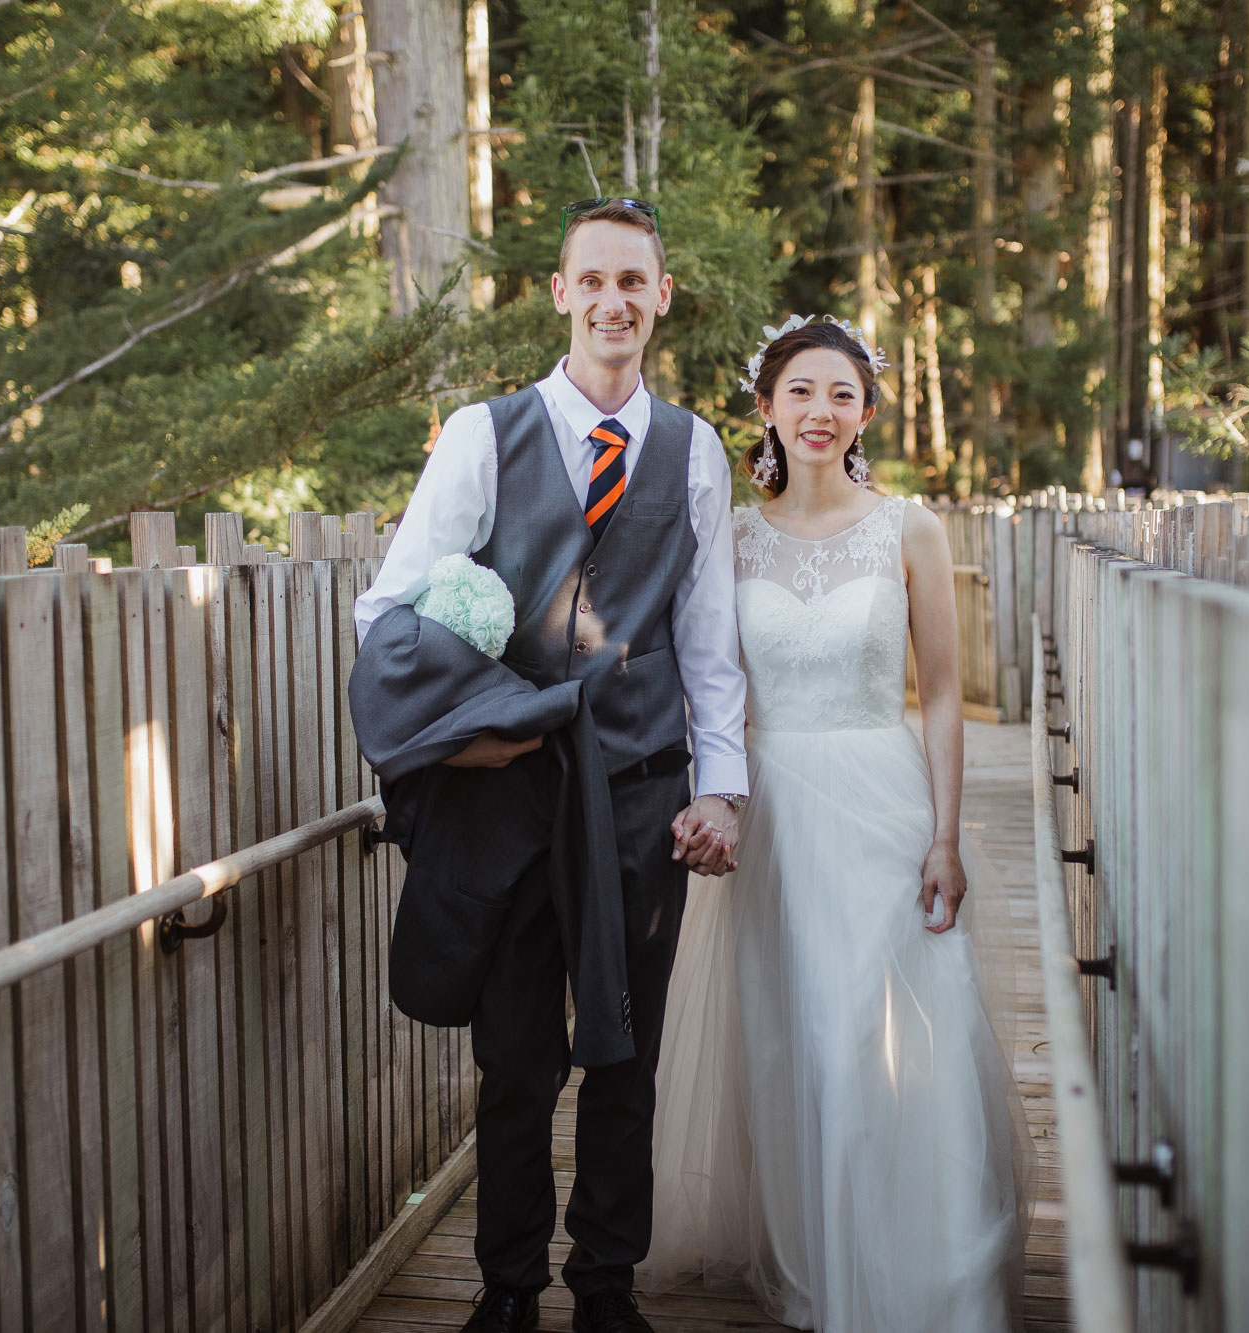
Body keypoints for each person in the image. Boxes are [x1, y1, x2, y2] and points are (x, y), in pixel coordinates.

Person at [353, 198, 748, 1333]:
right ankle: (508, 1290)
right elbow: (390, 609)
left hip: (637, 795)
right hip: (509, 800)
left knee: (625, 1063)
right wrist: (465, 731)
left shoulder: (691, 450)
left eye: (636, 281)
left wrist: (716, 786)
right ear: (561, 292)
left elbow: (707, 643)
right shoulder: (485, 434)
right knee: (517, 1060)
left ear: (660, 297)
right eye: (594, 280)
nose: (614, 301)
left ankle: (607, 1290)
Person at [641, 316, 1030, 1332]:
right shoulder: (727, 538)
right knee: (795, 1042)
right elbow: (706, 687)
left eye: (841, 393)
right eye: (800, 391)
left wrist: (944, 835)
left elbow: (941, 693)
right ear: (763, 405)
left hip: (882, 801)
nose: (821, 411)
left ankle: (929, 1269)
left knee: (886, 1036)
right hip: (772, 815)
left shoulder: (909, 528)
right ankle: (823, 1262)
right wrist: (709, 794)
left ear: (866, 409)